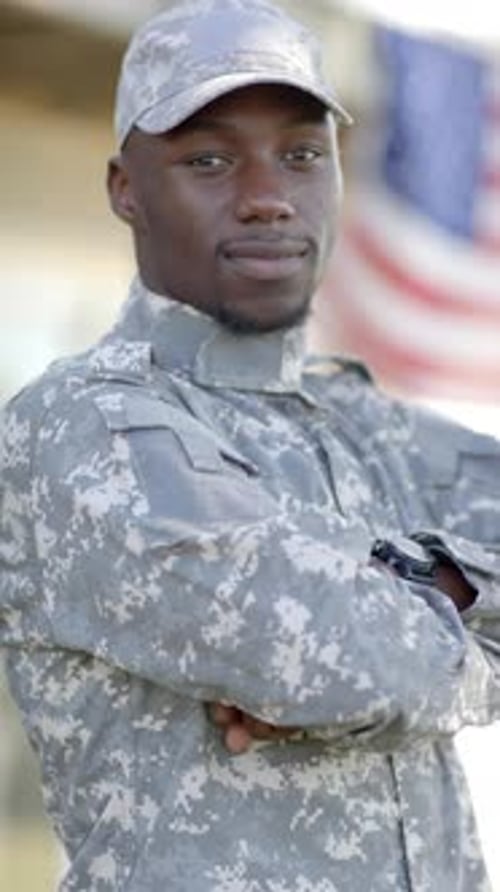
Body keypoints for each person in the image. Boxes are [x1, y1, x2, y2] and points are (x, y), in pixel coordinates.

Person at [1, 1, 499, 889]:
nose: (269, 196)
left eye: (302, 155)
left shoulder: (370, 424)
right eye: (209, 160)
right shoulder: (79, 426)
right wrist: (454, 624)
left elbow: (360, 656)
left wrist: (423, 588)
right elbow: (352, 665)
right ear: (125, 189)